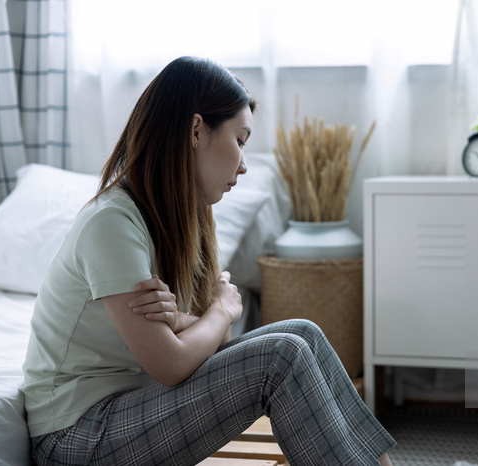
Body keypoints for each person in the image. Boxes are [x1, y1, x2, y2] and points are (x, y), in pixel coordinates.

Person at [20, 56, 396, 465]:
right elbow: (173, 363)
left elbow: (217, 347)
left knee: (303, 332)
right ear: (197, 130)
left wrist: (185, 321)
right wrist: (221, 309)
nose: (245, 164)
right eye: (240, 140)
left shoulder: (187, 215)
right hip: (78, 436)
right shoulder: (112, 222)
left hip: (136, 407)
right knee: (281, 355)